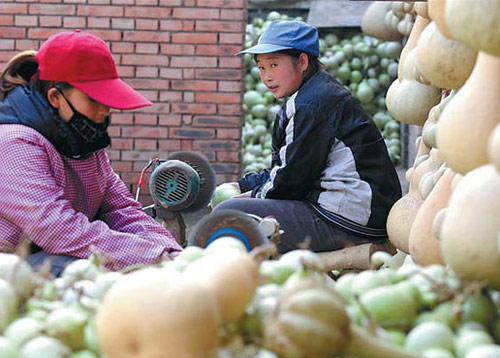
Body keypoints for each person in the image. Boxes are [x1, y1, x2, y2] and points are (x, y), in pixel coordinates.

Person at [0, 30, 182, 276]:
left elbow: (121, 210)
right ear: (55, 96)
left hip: (51, 257)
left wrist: (172, 252)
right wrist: (153, 257)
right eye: (94, 100)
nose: (104, 111)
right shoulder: (15, 144)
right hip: (11, 272)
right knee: (82, 271)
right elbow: (58, 230)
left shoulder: (83, 142)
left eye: (107, 101)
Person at [215, 21, 402, 254]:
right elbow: (287, 166)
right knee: (237, 207)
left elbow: (291, 181)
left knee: (229, 215)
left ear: (303, 62)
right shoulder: (311, 94)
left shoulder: (311, 104)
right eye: (262, 68)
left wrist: (249, 195)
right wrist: (243, 185)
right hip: (355, 213)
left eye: (274, 64)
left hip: (350, 219)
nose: (267, 77)